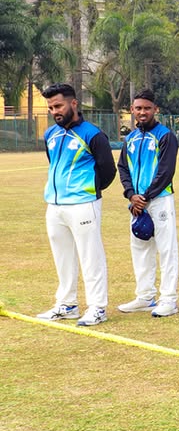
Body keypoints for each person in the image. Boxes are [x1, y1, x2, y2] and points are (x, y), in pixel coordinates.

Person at [37, 83, 115, 326]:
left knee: (91, 255)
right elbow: (53, 163)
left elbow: (108, 170)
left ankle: (98, 307)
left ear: (73, 103)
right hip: (55, 205)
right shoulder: (50, 134)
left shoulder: (93, 134)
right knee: (62, 256)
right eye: (51, 108)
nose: (55, 111)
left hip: (83, 204)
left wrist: (88, 190)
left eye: (58, 106)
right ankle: (67, 304)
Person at [117, 90, 179, 318]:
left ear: (155, 109)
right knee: (140, 248)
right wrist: (131, 195)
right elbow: (123, 167)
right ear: (132, 110)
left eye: (147, 108)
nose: (142, 112)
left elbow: (165, 171)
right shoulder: (131, 138)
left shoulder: (165, 136)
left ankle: (169, 299)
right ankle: (144, 296)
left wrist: (144, 197)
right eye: (138, 108)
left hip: (159, 199)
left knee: (166, 249)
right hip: (137, 203)